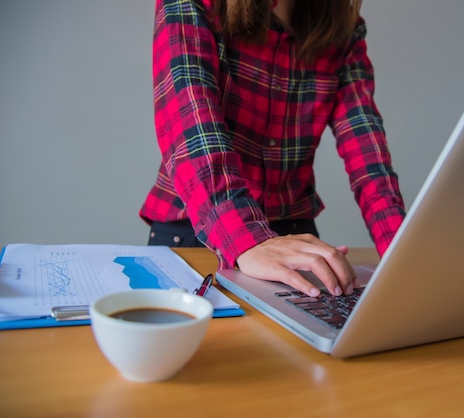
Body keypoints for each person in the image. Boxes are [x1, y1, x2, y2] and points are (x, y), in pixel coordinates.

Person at [140, 0, 406, 298]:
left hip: (293, 235)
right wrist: (247, 240)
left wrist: (402, 250)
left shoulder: (342, 27)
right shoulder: (194, 4)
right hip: (197, 232)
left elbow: (366, 147)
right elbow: (192, 128)